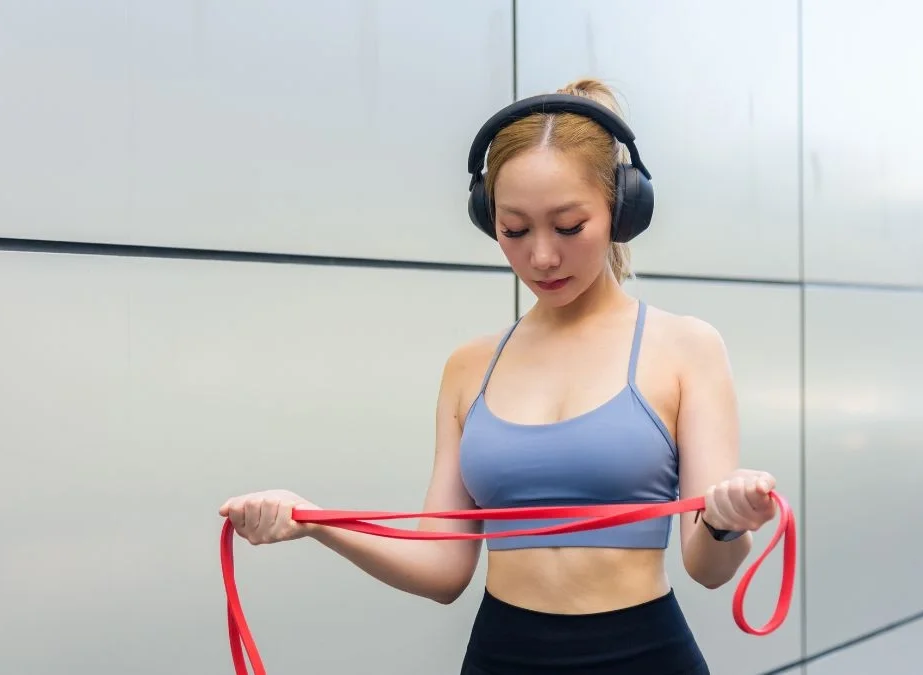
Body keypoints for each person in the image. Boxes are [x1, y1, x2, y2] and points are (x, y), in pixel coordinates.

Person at [219, 78, 780, 674]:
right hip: (500, 657)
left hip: (645, 655)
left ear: (622, 210)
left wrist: (724, 523)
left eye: (568, 226)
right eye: (515, 230)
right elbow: (442, 571)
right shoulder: (470, 366)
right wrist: (313, 521)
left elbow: (709, 569)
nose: (540, 257)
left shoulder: (686, 347)